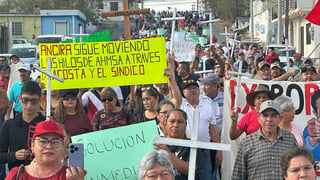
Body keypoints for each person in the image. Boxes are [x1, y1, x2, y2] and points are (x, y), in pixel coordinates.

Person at [232, 100, 298, 180]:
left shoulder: (290, 139)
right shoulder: (247, 143)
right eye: (265, 115)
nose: (269, 119)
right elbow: (238, 175)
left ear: (279, 119)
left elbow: (297, 170)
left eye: (273, 115)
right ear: (259, 118)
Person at [5, 120, 86, 180]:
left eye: (55, 142)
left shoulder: (71, 175)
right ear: (32, 146)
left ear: (63, 147)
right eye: (43, 141)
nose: (49, 146)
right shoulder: (17, 175)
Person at [0, 81, 45, 171]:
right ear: (20, 99)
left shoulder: (46, 124)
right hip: (17, 175)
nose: (29, 105)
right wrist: (14, 155)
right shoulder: (9, 125)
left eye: (34, 101)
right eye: (25, 100)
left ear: (40, 101)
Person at [153, 109, 200, 180]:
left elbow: (190, 170)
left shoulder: (192, 145)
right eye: (172, 121)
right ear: (165, 122)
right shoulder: (157, 143)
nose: (175, 125)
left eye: (180, 122)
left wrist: (167, 153)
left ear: (186, 124)